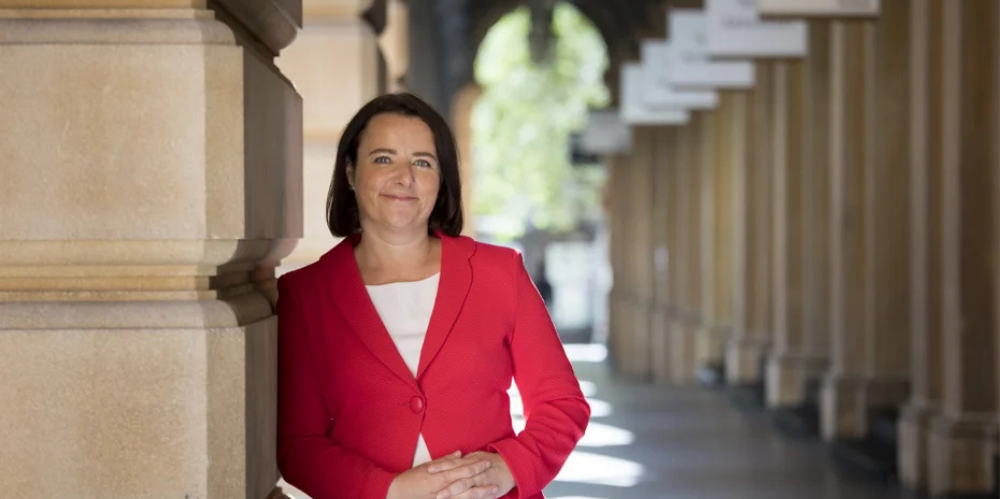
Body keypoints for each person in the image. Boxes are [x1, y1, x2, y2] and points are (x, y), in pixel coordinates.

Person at [276, 93, 590, 499]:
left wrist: (511, 466)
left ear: (441, 180)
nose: (404, 177)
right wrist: (389, 491)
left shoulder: (499, 273)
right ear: (351, 172)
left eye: (423, 162)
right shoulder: (305, 296)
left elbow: (563, 404)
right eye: (383, 159)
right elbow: (299, 445)